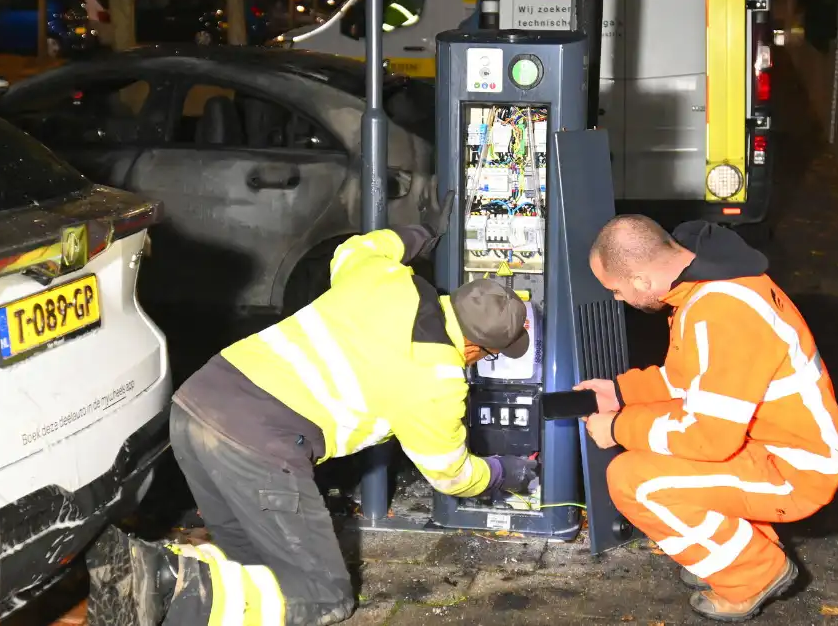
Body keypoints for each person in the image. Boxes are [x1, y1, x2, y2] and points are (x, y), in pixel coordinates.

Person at [86, 190, 539, 626]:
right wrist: (501, 471)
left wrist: (423, 231)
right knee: (323, 597)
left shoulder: (386, 279)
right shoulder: (437, 379)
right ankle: (162, 579)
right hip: (258, 445)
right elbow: (450, 475)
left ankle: (148, 578)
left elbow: (360, 246)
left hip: (196, 404)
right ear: (477, 347)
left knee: (251, 565)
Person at [576, 215, 838, 622]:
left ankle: (754, 573)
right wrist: (617, 392)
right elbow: (684, 381)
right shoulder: (706, 284)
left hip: (794, 468)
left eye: (616, 289)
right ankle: (737, 549)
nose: (616, 298)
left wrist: (616, 428)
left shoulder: (720, 313)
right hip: (771, 444)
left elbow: (708, 438)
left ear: (643, 281)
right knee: (658, 430)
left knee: (633, 480)